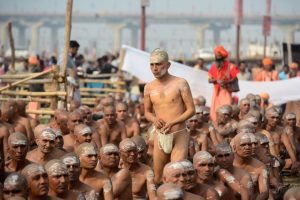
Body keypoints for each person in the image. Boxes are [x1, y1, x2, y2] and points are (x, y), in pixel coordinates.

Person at [144, 49, 195, 183]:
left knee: (177, 175)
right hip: (160, 135)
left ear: (168, 65)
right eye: (152, 64)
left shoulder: (180, 83)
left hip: (179, 134)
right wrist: (154, 120)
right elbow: (147, 112)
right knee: (159, 178)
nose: (155, 68)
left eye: (159, 64)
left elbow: (191, 110)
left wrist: (173, 122)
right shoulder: (149, 87)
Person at [233, 132, 269, 200]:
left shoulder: (260, 167)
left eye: (249, 145)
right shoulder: (228, 164)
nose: (247, 147)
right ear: (234, 148)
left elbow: (264, 193)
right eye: (243, 145)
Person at [208, 45, 239, 121]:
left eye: (219, 56)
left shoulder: (231, 66)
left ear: (223, 57)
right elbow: (209, 80)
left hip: (226, 91)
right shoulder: (213, 66)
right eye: (216, 55)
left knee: (226, 108)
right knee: (215, 110)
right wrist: (216, 80)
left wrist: (226, 82)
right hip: (216, 92)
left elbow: (235, 78)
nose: (217, 57)